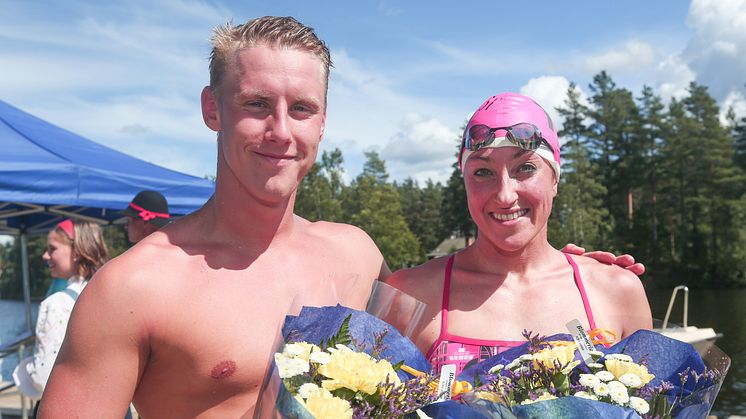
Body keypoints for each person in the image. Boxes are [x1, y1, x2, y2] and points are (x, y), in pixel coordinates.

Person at [39, 18, 643, 418]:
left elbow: (474, 312)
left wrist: (579, 273)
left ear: (322, 124)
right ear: (211, 109)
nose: (280, 130)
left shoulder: (356, 257)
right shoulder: (133, 288)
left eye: (301, 108)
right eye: (256, 105)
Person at [386, 93, 652, 375]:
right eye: (482, 172)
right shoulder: (411, 296)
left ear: (555, 179)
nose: (504, 194)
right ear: (464, 181)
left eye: (525, 168)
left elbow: (650, 404)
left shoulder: (616, 290)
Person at [13, 219, 108, 404]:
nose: (45, 256)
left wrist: (23, 371)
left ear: (76, 252)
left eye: (52, 249)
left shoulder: (56, 304)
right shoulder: (111, 293)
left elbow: (43, 378)